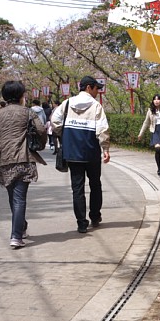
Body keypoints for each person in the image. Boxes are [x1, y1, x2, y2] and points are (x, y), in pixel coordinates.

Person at [0, 81, 47, 249]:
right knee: (19, 198)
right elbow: (42, 130)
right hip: (23, 158)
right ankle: (16, 235)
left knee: (14, 197)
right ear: (21, 96)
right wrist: (41, 145)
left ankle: (20, 227)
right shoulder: (28, 112)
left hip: (3, 161)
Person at [51, 76, 110, 234]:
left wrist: (64, 135)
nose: (98, 91)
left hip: (72, 153)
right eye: (97, 88)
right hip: (91, 152)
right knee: (95, 184)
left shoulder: (67, 103)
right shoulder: (96, 106)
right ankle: (95, 216)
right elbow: (103, 129)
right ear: (89, 87)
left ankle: (81, 223)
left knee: (77, 188)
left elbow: (54, 121)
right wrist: (105, 149)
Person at [138, 94, 160, 176]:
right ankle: (159, 168)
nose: (156, 101)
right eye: (154, 99)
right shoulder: (150, 110)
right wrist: (141, 133)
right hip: (156, 130)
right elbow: (146, 122)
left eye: (158, 99)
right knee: (158, 149)